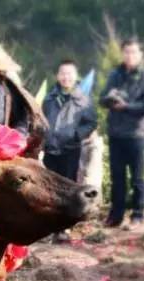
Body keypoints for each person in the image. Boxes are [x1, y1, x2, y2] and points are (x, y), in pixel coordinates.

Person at [99, 39, 144, 230]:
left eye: (133, 52)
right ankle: (116, 216)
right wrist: (110, 100)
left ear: (140, 55)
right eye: (126, 52)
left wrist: (126, 107)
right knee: (117, 177)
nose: (129, 56)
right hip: (116, 133)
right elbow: (102, 99)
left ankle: (138, 215)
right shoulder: (115, 74)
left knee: (137, 177)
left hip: (136, 133)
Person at [43, 59, 98, 243]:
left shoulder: (83, 100)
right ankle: (49, 226)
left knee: (69, 188)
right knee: (50, 188)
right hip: (51, 149)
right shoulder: (49, 98)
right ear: (58, 76)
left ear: (76, 76)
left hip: (70, 150)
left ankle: (63, 229)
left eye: (69, 73)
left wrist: (77, 135)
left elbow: (91, 123)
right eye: (62, 73)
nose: (66, 77)